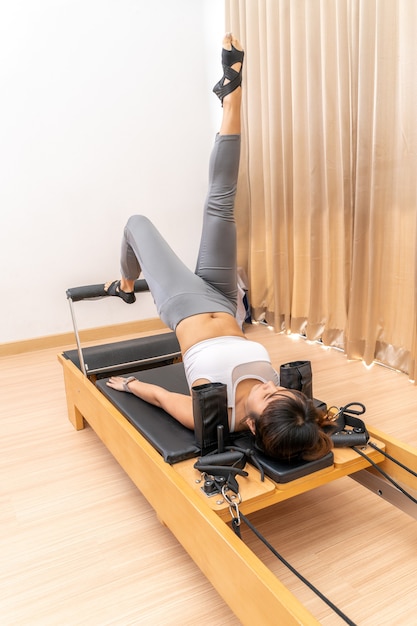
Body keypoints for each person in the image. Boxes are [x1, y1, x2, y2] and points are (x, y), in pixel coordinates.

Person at [104, 34, 333, 461]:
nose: (271, 387)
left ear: (250, 424)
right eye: (280, 390)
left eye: (268, 398)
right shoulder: (289, 406)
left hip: (185, 305)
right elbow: (308, 424)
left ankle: (126, 283)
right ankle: (232, 93)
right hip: (226, 300)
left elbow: (157, 398)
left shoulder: (213, 414)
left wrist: (129, 384)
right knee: (222, 200)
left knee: (136, 223)